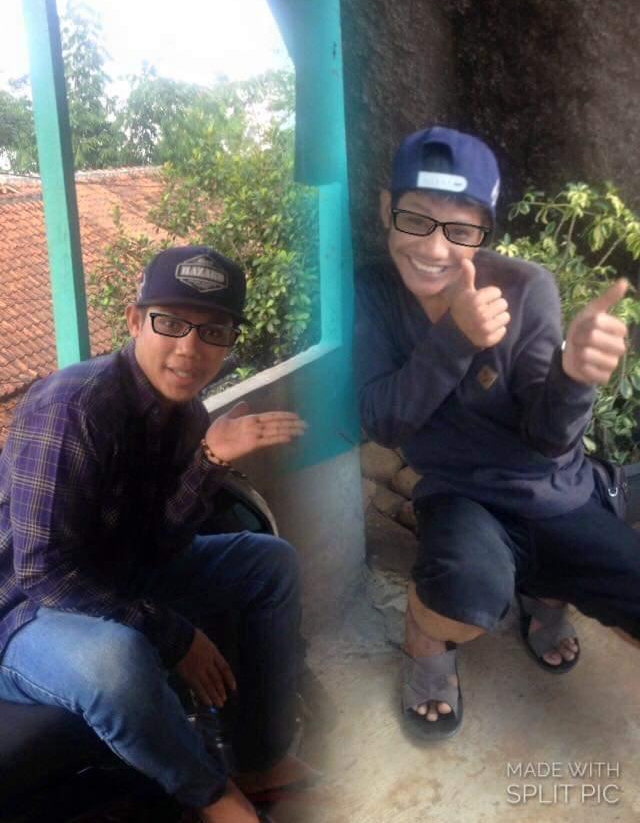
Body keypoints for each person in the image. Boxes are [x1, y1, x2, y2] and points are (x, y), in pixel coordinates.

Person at [0, 245, 315, 822]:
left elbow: (161, 545)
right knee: (114, 660)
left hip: (116, 580)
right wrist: (173, 635)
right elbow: (41, 571)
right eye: (170, 322)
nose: (189, 348)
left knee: (269, 563)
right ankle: (211, 796)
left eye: (212, 331)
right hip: (23, 612)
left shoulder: (187, 416)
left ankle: (256, 758)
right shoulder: (73, 408)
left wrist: (210, 459)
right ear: (134, 321)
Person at [355, 126, 640, 741]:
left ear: (485, 232)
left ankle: (544, 593)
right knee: (464, 592)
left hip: (553, 491)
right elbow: (382, 421)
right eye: (416, 219)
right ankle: (425, 639)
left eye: (460, 230)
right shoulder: (373, 294)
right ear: (386, 208)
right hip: (459, 494)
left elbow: (548, 437)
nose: (435, 249)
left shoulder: (527, 287)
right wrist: (455, 337)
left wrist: (574, 376)